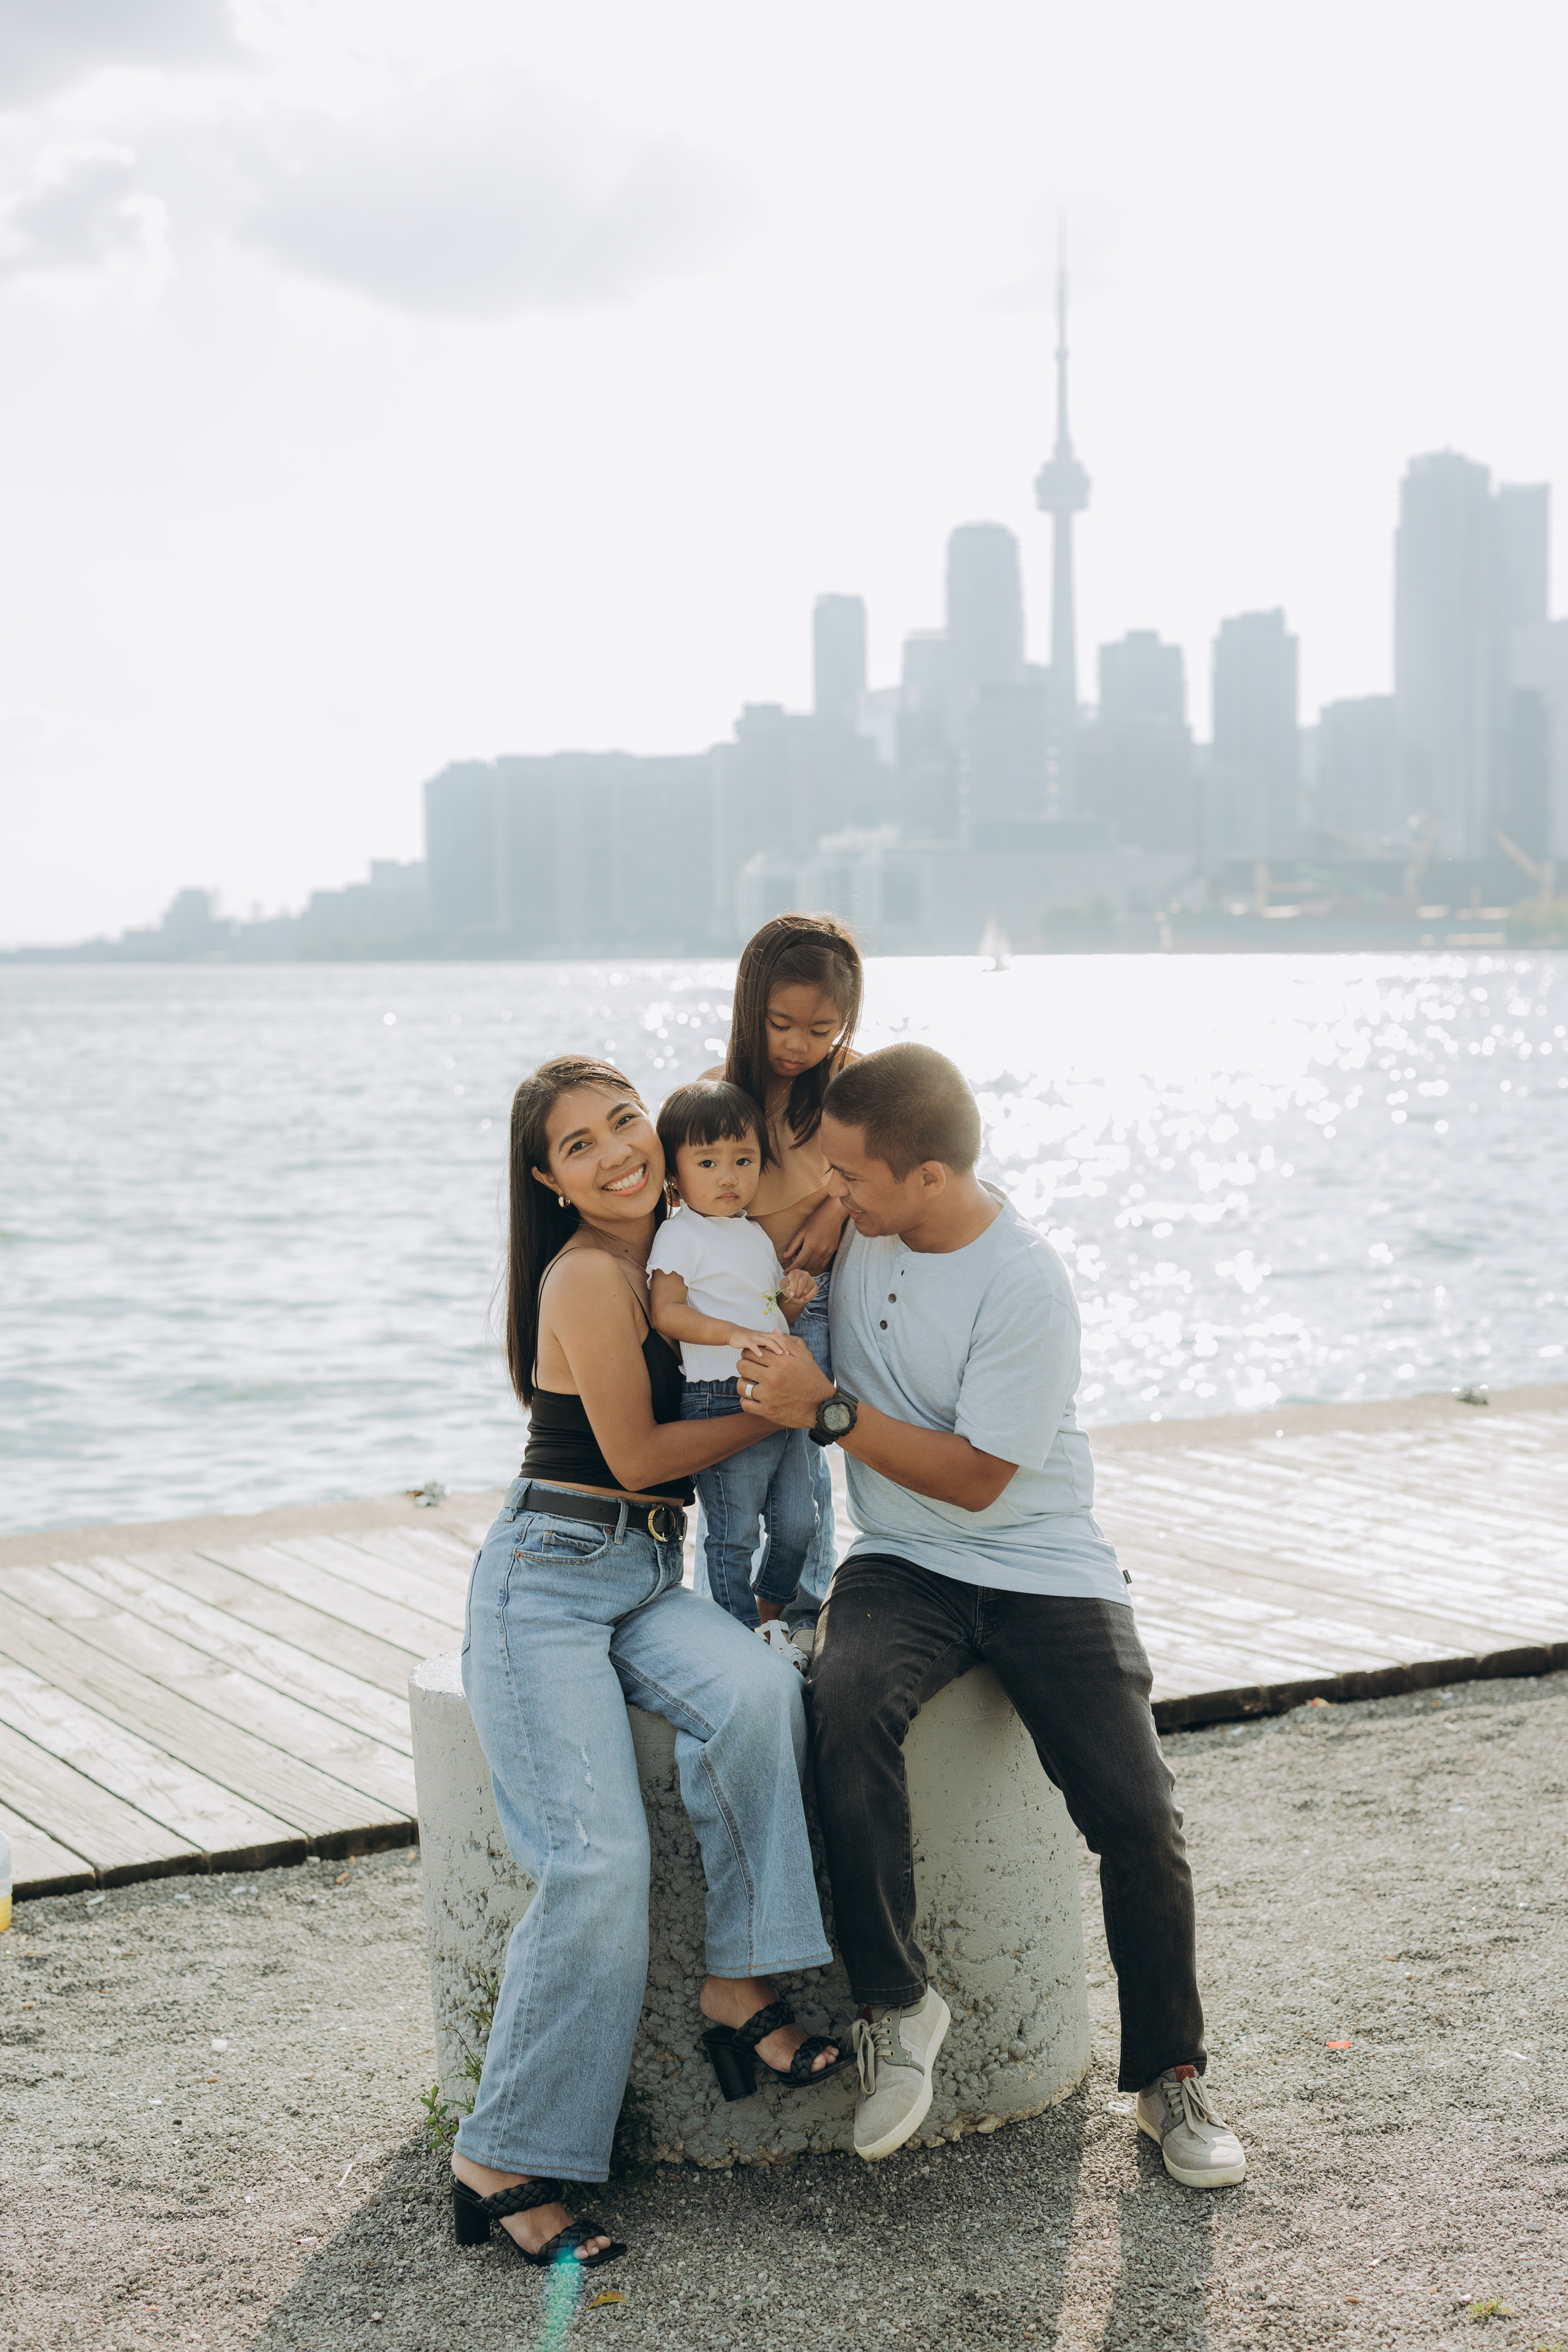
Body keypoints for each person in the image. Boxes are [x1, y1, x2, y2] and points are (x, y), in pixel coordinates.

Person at [734, 1041, 1246, 2188]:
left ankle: (1170, 2084)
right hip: (903, 1560)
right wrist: (817, 1212)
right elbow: (825, 1121)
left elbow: (977, 1480)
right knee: (844, 1703)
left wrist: (825, 1412)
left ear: (927, 1176)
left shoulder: (1024, 1283)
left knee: (1138, 1813)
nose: (835, 1197)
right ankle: (898, 2005)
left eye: (853, 1180)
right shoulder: (865, 1219)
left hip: (1044, 1561)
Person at [451, 1056, 848, 2275]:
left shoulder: (673, 1248)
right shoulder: (582, 1273)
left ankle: (737, 1986)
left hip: (638, 1576)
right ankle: (499, 2154)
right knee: (597, 1860)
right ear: (547, 1179)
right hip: (547, 1579)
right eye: (578, 1145)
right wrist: (786, 1407)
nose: (615, 1151)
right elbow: (630, 1456)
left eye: (623, 1121)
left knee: (754, 1693)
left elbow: (808, 1201)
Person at [701, 913, 864, 1619]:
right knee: (735, 1470)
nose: (800, 1045)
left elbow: (895, 1169)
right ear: (749, 1010)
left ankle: (801, 1606)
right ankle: (730, 1611)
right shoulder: (716, 1095)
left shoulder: (853, 1084)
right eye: (781, 1023)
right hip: (737, 1307)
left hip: (819, 1297)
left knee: (805, 1454)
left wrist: (834, 1209)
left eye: (822, 1030)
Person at [647, 1079, 821, 1632]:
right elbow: (667, 1311)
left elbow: (769, 1320)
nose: (729, 1176)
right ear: (674, 1178)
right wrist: (732, 1335)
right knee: (734, 1533)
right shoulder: (682, 1235)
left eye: (743, 1160)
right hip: (721, 1398)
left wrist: (791, 1303)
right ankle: (736, 1634)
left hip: (779, 1393)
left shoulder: (755, 1236)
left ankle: (769, 1617)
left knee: (800, 1522)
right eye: (708, 1162)